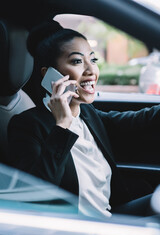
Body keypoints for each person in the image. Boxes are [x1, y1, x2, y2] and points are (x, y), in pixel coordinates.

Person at [7, 20, 159, 219]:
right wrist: (62, 125)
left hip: (109, 217)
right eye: (77, 61)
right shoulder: (27, 125)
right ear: (50, 75)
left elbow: (138, 120)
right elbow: (37, 198)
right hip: (77, 229)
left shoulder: (87, 113)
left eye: (93, 60)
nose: (91, 71)